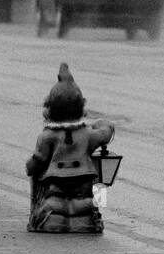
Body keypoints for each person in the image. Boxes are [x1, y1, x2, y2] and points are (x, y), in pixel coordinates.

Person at [26, 63, 114, 234]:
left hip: (56, 178)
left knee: (57, 200)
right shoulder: (87, 134)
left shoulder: (47, 136)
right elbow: (105, 133)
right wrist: (104, 124)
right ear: (81, 107)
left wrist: (30, 166)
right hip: (84, 177)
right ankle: (85, 221)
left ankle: (55, 221)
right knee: (84, 200)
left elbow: (39, 159)